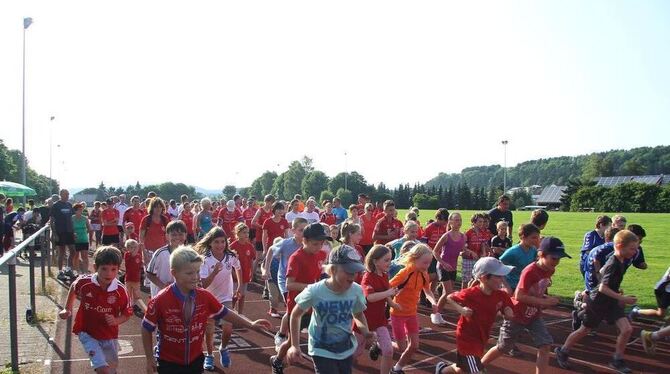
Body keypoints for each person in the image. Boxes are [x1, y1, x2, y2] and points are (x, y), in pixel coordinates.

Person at [141, 246, 272, 374]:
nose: (195, 277)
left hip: (196, 360)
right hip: (168, 362)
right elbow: (146, 328)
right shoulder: (161, 299)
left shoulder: (204, 296)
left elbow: (225, 313)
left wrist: (251, 324)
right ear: (174, 273)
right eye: (189, 273)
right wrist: (148, 358)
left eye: (197, 271)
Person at [555, 230, 639, 373]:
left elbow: (601, 274)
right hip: (598, 302)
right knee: (585, 330)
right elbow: (602, 288)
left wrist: (616, 291)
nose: (635, 251)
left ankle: (617, 359)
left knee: (627, 329)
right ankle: (563, 350)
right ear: (619, 246)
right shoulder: (614, 263)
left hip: (611, 301)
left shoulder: (619, 260)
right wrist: (622, 298)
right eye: (632, 248)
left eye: (636, 248)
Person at [482, 237, 569, 374]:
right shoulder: (530, 271)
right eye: (554, 258)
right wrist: (544, 302)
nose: (557, 262)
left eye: (559, 259)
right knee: (503, 347)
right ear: (541, 255)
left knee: (545, 344)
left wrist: (545, 298)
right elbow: (519, 296)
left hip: (533, 314)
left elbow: (537, 292)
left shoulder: (550, 269)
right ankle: (478, 366)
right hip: (517, 314)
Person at [286, 244, 373, 374]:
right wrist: (294, 345)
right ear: (332, 270)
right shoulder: (315, 291)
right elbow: (295, 315)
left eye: (355, 272)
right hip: (321, 349)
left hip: (345, 347)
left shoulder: (356, 290)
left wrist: (365, 332)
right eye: (348, 271)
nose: (352, 276)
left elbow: (358, 314)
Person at [58, 246, 132, 374]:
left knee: (111, 368)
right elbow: (74, 287)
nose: (108, 273)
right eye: (104, 269)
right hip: (87, 332)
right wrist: (67, 309)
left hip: (109, 334)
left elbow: (127, 313)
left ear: (118, 270)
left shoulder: (121, 290)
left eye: (113, 269)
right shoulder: (85, 283)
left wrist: (116, 320)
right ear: (95, 267)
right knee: (102, 369)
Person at [435, 257, 514, 374]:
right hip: (466, 337)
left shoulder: (501, 295)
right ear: (484, 278)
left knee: (463, 369)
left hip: (481, 337)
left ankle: (442, 370)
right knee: (476, 371)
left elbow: (507, 309)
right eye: (498, 276)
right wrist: (461, 309)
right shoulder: (471, 293)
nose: (502, 279)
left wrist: (508, 312)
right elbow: (449, 297)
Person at [271, 223, 330, 374]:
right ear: (305, 240)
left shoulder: (321, 255)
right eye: (315, 243)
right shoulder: (296, 258)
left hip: (315, 305)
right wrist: (313, 287)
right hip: (298, 306)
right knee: (291, 341)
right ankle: (277, 360)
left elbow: (320, 273)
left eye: (322, 243)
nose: (319, 247)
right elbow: (290, 285)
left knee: (320, 336)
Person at [194, 227, 240, 370]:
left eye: (223, 242)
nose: (220, 245)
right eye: (216, 242)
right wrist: (214, 272)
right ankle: (209, 355)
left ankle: (223, 348)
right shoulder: (205, 260)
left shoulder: (230, 256)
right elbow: (203, 283)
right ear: (210, 243)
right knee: (209, 330)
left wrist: (239, 286)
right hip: (209, 298)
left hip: (226, 296)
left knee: (228, 327)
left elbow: (238, 267)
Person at [388, 244, 439, 374]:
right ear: (414, 259)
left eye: (429, 263)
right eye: (424, 263)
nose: (427, 266)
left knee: (414, 346)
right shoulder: (405, 273)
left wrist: (433, 302)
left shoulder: (424, 274)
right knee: (401, 347)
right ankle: (379, 345)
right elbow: (387, 288)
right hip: (397, 313)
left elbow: (427, 291)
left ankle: (397, 368)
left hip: (412, 313)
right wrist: (392, 302)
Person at [357, 245, 399, 374]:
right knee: (355, 353)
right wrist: (388, 293)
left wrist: (393, 304)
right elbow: (370, 297)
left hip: (380, 320)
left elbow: (386, 294)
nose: (389, 262)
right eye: (386, 260)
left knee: (388, 350)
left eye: (390, 259)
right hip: (364, 321)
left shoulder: (385, 275)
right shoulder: (367, 277)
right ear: (375, 261)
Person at [433, 212, 467, 324]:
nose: (459, 222)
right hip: (443, 266)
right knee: (448, 292)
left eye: (460, 220)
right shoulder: (446, 236)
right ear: (450, 222)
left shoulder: (463, 236)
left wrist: (469, 252)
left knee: (446, 293)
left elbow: (461, 250)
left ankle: (437, 312)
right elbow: (435, 251)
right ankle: (436, 314)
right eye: (456, 220)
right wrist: (443, 263)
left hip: (453, 267)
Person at [145, 220, 188, 298]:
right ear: (167, 236)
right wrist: (164, 287)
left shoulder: (189, 254)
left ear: (185, 235)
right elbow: (149, 273)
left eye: (181, 234)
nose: (177, 237)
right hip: (161, 295)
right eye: (174, 235)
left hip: (181, 295)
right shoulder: (160, 253)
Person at [499, 223, 541, 293]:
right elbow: (498, 267)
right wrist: (506, 286)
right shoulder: (512, 252)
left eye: (537, 237)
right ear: (523, 237)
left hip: (525, 284)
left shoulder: (533, 250)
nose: (536, 240)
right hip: (512, 286)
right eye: (533, 237)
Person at [229, 223, 256, 314]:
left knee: (242, 295)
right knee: (234, 295)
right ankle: (231, 311)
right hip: (234, 277)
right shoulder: (233, 246)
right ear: (238, 233)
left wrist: (252, 272)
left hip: (245, 274)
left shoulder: (250, 246)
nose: (246, 235)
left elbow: (251, 260)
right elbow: (228, 263)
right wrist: (233, 274)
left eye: (247, 233)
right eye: (244, 232)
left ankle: (240, 313)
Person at [51, 189, 76, 280]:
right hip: (60, 231)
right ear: (61, 194)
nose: (67, 196)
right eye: (66, 194)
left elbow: (71, 219)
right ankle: (60, 271)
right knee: (62, 252)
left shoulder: (69, 205)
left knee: (73, 251)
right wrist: (54, 234)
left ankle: (68, 269)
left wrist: (73, 231)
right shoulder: (56, 205)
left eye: (68, 194)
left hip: (69, 231)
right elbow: (52, 220)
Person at [462, 214, 488, 288]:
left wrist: (484, 252)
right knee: (466, 279)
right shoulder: (468, 232)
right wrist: (471, 252)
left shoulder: (482, 232)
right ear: (473, 222)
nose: (482, 224)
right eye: (480, 222)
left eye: (483, 222)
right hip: (468, 259)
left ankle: (471, 296)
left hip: (478, 259)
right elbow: (462, 246)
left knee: (475, 279)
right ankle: (462, 297)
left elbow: (482, 243)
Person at [123, 239, 146, 313]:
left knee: (136, 295)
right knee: (128, 294)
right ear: (127, 248)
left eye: (134, 247)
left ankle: (133, 305)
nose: (133, 249)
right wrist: (138, 248)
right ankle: (128, 305)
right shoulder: (127, 254)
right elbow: (133, 255)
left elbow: (142, 263)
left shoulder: (138, 255)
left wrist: (143, 250)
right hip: (129, 278)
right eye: (131, 247)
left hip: (136, 279)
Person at [72, 203, 92, 274]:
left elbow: (89, 228)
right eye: (79, 210)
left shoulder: (85, 218)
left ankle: (85, 272)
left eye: (81, 209)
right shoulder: (72, 218)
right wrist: (73, 234)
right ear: (75, 210)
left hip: (84, 239)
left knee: (85, 257)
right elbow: (70, 229)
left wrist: (84, 233)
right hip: (75, 240)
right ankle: (77, 272)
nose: (81, 211)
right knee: (76, 256)